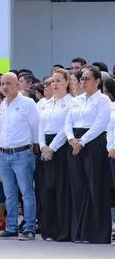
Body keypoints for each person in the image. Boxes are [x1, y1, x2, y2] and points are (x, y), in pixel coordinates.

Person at [62, 65, 112, 244]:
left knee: (95, 187)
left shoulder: (103, 100)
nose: (83, 82)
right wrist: (71, 139)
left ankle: (96, 233)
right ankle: (79, 232)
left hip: (94, 145)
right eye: (81, 78)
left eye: (87, 79)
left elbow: (100, 124)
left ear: (97, 81)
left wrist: (81, 141)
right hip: (75, 144)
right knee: (78, 187)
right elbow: (68, 122)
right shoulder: (77, 100)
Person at [0, 71, 39, 239]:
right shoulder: (3, 104)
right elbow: (0, 129)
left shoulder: (27, 103)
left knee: (27, 192)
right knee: (10, 194)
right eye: (3, 83)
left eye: (9, 83)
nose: (5, 87)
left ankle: (29, 228)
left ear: (17, 85)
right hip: (5, 155)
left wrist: (36, 145)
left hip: (22, 154)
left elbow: (35, 126)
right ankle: (11, 227)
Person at [37, 70, 74, 241]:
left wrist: (52, 148)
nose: (55, 84)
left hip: (61, 147)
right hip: (46, 148)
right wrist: (43, 146)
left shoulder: (71, 102)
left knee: (61, 190)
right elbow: (40, 126)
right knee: (46, 189)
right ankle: (48, 229)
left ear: (67, 82)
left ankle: (62, 230)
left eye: (58, 80)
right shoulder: (45, 103)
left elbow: (66, 128)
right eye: (52, 81)